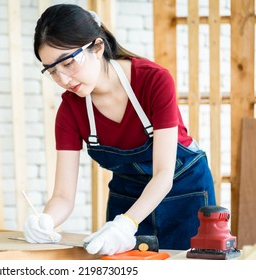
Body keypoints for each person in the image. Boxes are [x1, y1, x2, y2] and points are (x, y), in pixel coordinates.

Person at [23, 3, 216, 254]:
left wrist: (126, 224)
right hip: (127, 200)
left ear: (97, 47)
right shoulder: (70, 110)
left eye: (68, 63)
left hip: (185, 193)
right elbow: (63, 195)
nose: (64, 80)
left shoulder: (153, 81)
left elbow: (163, 174)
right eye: (53, 71)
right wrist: (45, 220)